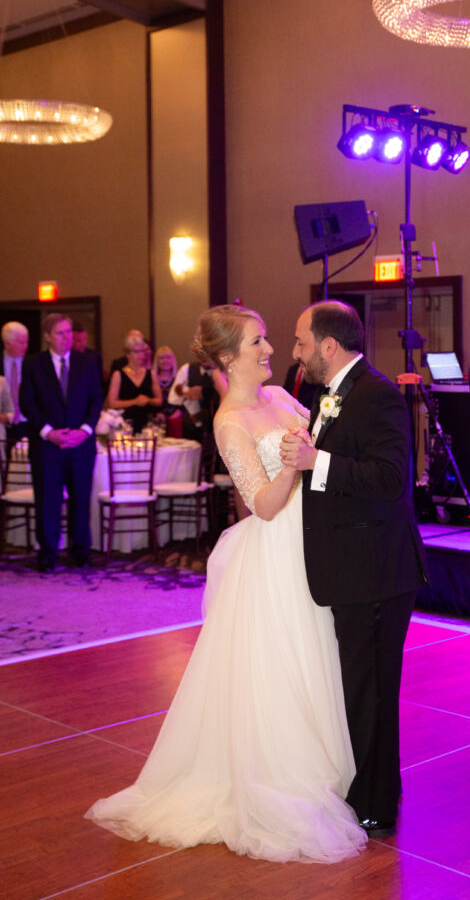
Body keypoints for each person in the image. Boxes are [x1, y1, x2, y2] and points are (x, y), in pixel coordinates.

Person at [85, 304, 366, 863]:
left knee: (318, 658)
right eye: (258, 342)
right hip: (275, 554)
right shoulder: (230, 421)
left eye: (267, 339)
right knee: (282, 663)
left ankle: (328, 768)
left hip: (313, 544)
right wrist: (292, 463)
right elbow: (261, 506)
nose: (269, 350)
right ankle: (282, 776)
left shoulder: (282, 399)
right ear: (229, 356)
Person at [280, 300, 427, 838]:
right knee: (357, 689)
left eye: (299, 343)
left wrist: (315, 462)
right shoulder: (326, 393)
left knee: (373, 691)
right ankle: (370, 787)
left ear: (328, 346)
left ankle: (377, 803)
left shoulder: (379, 394)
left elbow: (391, 480)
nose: (294, 353)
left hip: (377, 571)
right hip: (350, 567)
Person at [19, 313, 102, 571]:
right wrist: (48, 432)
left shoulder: (87, 361)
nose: (67, 338)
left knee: (80, 499)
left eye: (69, 332)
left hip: (81, 446)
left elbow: (96, 399)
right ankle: (48, 554)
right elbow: (27, 402)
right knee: (48, 500)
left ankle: (81, 553)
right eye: (60, 333)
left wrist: (85, 430)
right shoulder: (33, 363)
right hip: (47, 446)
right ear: (47, 336)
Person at [106, 333, 162, 434]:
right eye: (136, 352)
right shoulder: (118, 375)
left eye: (142, 351)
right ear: (128, 354)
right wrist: (135, 401)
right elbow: (112, 403)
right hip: (127, 423)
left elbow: (159, 400)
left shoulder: (151, 374)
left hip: (148, 423)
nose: (140, 355)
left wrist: (148, 400)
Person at [168, 357, 228, 441]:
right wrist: (188, 395)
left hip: (215, 425)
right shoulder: (187, 369)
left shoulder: (222, 371)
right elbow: (172, 398)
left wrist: (204, 392)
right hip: (191, 426)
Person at [1, 320, 30, 446]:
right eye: (21, 343)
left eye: (26, 342)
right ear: (7, 344)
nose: (26, 346)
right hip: (2, 424)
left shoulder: (32, 364)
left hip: (27, 422)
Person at [152, 345, 179, 418]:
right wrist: (157, 413)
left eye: (168, 357)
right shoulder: (151, 379)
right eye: (162, 358)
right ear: (156, 361)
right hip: (156, 419)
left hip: (175, 418)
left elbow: (184, 401)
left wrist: (176, 414)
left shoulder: (179, 379)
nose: (165, 361)